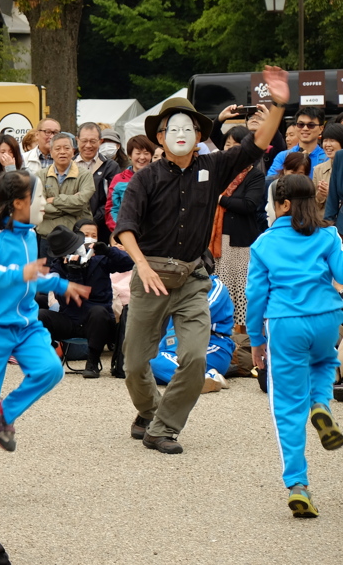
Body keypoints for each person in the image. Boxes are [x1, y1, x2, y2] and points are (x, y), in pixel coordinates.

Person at [113, 66, 288, 455]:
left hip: (193, 277)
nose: (180, 133)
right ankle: (148, 413)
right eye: (172, 127)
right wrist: (141, 265)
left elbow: (255, 145)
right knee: (134, 363)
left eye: (188, 126)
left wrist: (278, 102)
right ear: (161, 135)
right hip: (151, 276)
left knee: (193, 358)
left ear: (198, 135)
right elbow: (124, 228)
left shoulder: (213, 166)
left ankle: (163, 429)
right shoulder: (145, 178)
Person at [0, 170, 89, 464]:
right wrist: (23, 272)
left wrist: (60, 284)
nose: (45, 202)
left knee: (50, 370)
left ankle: (5, 413)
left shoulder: (30, 235)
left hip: (25, 326)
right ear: (18, 203)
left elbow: (30, 279)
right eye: (39, 196)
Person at [247, 174, 343, 518]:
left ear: (283, 204)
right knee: (325, 361)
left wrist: (256, 340)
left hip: (285, 322)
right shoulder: (329, 235)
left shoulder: (263, 244)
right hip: (328, 316)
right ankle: (322, 405)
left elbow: (255, 295)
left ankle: (298, 485)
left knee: (286, 406)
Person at [39, 219, 133, 378]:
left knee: (98, 312)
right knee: (41, 315)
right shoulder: (58, 267)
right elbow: (71, 300)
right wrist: (73, 272)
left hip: (99, 323)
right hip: (70, 319)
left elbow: (129, 263)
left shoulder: (100, 259)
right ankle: (47, 359)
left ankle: (93, 362)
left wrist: (109, 251)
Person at [209, 125, 266, 330]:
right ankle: (221, 333)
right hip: (216, 241)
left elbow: (249, 205)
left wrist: (220, 198)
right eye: (227, 145)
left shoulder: (255, 176)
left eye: (236, 145)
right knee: (220, 290)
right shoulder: (218, 172)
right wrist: (221, 118)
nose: (231, 150)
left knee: (242, 293)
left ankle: (244, 342)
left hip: (241, 243)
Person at [150, 275, 235, 393]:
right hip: (176, 348)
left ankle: (199, 380)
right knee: (145, 366)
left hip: (211, 345)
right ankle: (208, 377)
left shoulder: (215, 285)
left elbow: (197, 314)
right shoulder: (177, 286)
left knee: (154, 361)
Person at [35, 132, 94, 237]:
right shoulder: (40, 176)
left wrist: (54, 200)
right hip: (47, 235)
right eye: (57, 149)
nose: (62, 152)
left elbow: (81, 203)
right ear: (51, 152)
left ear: (73, 151)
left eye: (67, 148)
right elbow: (39, 206)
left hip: (76, 236)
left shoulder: (85, 175)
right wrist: (70, 207)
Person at [77, 123, 123, 243]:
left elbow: (112, 198)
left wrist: (93, 220)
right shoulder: (69, 165)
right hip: (73, 226)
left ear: (100, 141)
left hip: (101, 228)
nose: (88, 145)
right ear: (77, 140)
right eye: (84, 141)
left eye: (93, 141)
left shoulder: (110, 166)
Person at [211, 104, 286, 174]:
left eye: (259, 118)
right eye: (250, 117)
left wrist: (271, 122)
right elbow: (214, 134)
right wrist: (221, 118)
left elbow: (281, 149)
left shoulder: (268, 150)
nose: (254, 120)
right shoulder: (232, 148)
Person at [105, 135, 156, 232]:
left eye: (146, 153)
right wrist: (121, 232)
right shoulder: (119, 179)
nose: (142, 157)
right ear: (129, 155)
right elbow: (112, 210)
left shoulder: (159, 178)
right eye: (138, 153)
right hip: (125, 234)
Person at [268, 107, 326, 178]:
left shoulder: (328, 158)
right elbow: (271, 183)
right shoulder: (283, 156)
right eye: (301, 124)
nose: (305, 128)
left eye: (311, 125)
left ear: (321, 129)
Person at [313, 123, 343, 208]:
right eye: (325, 140)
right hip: (324, 220)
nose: (328, 144)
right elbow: (314, 205)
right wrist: (321, 194)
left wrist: (332, 193)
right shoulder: (318, 169)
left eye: (332, 140)